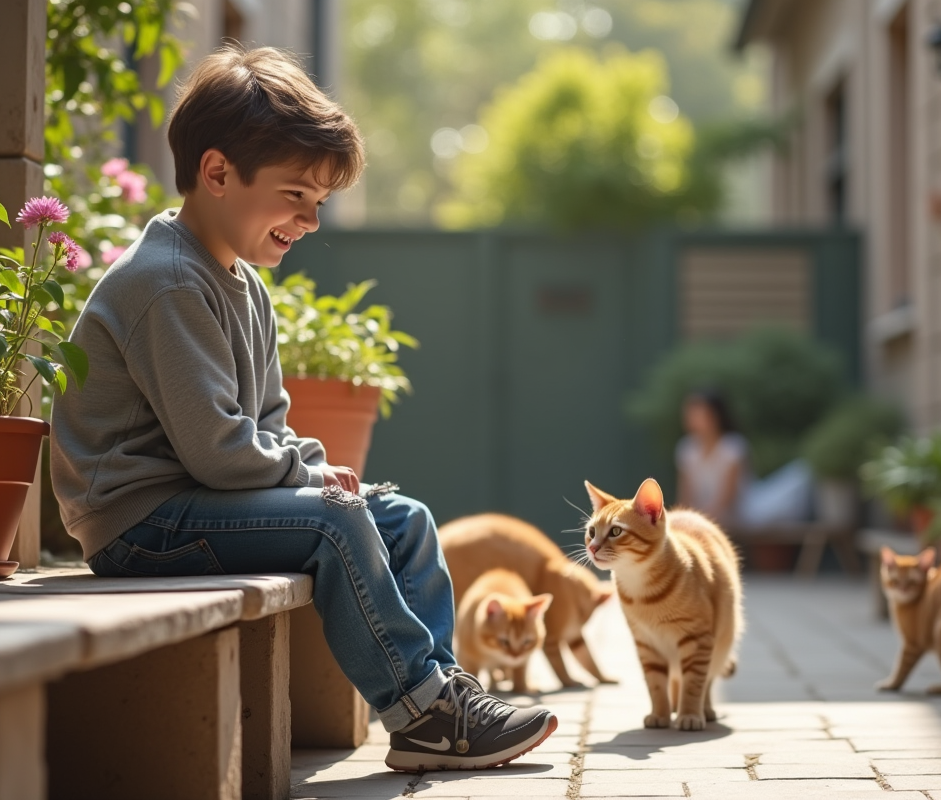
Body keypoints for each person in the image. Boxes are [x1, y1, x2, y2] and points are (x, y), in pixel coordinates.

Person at [49, 45, 557, 772]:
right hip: (140, 521)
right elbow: (220, 452)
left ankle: (441, 695)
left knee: (404, 519)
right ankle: (421, 711)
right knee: (334, 521)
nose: (311, 219)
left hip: (199, 502)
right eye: (295, 195)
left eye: (320, 202)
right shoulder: (167, 283)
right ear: (218, 173)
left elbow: (268, 426)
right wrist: (315, 483)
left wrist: (322, 473)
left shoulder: (244, 285)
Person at [675, 391, 748, 526]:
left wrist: (701, 520)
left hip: (740, 515)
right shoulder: (686, 449)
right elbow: (685, 496)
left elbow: (728, 498)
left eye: (699, 414)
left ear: (715, 416)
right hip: (702, 517)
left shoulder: (732, 446)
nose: (693, 419)